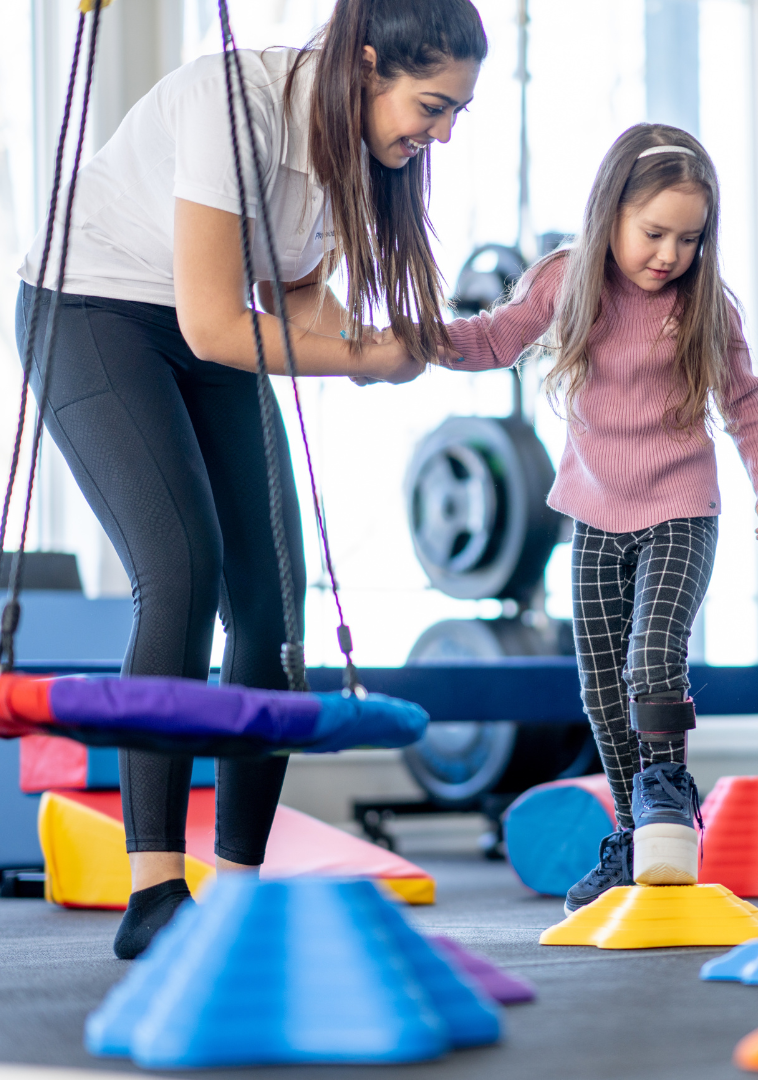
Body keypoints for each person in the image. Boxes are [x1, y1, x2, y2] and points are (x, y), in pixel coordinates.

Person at [14, 0, 486, 958]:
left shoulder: (357, 147)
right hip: (95, 308)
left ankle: (241, 889)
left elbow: (293, 284)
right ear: (365, 64)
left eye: (454, 117)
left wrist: (366, 336)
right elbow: (215, 328)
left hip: (206, 323)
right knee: (181, 565)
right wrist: (359, 359)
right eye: (432, 107)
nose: (439, 134)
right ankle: (153, 895)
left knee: (273, 599)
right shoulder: (237, 103)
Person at [396, 123, 758, 912]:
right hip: (592, 513)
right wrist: (418, 336)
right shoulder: (564, 280)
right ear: (611, 211)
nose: (668, 254)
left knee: (653, 657)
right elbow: (494, 340)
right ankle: (632, 839)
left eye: (689, 238)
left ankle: (668, 796)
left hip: (681, 507)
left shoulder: (705, 306)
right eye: (653, 233)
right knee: (600, 688)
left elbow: (746, 404)